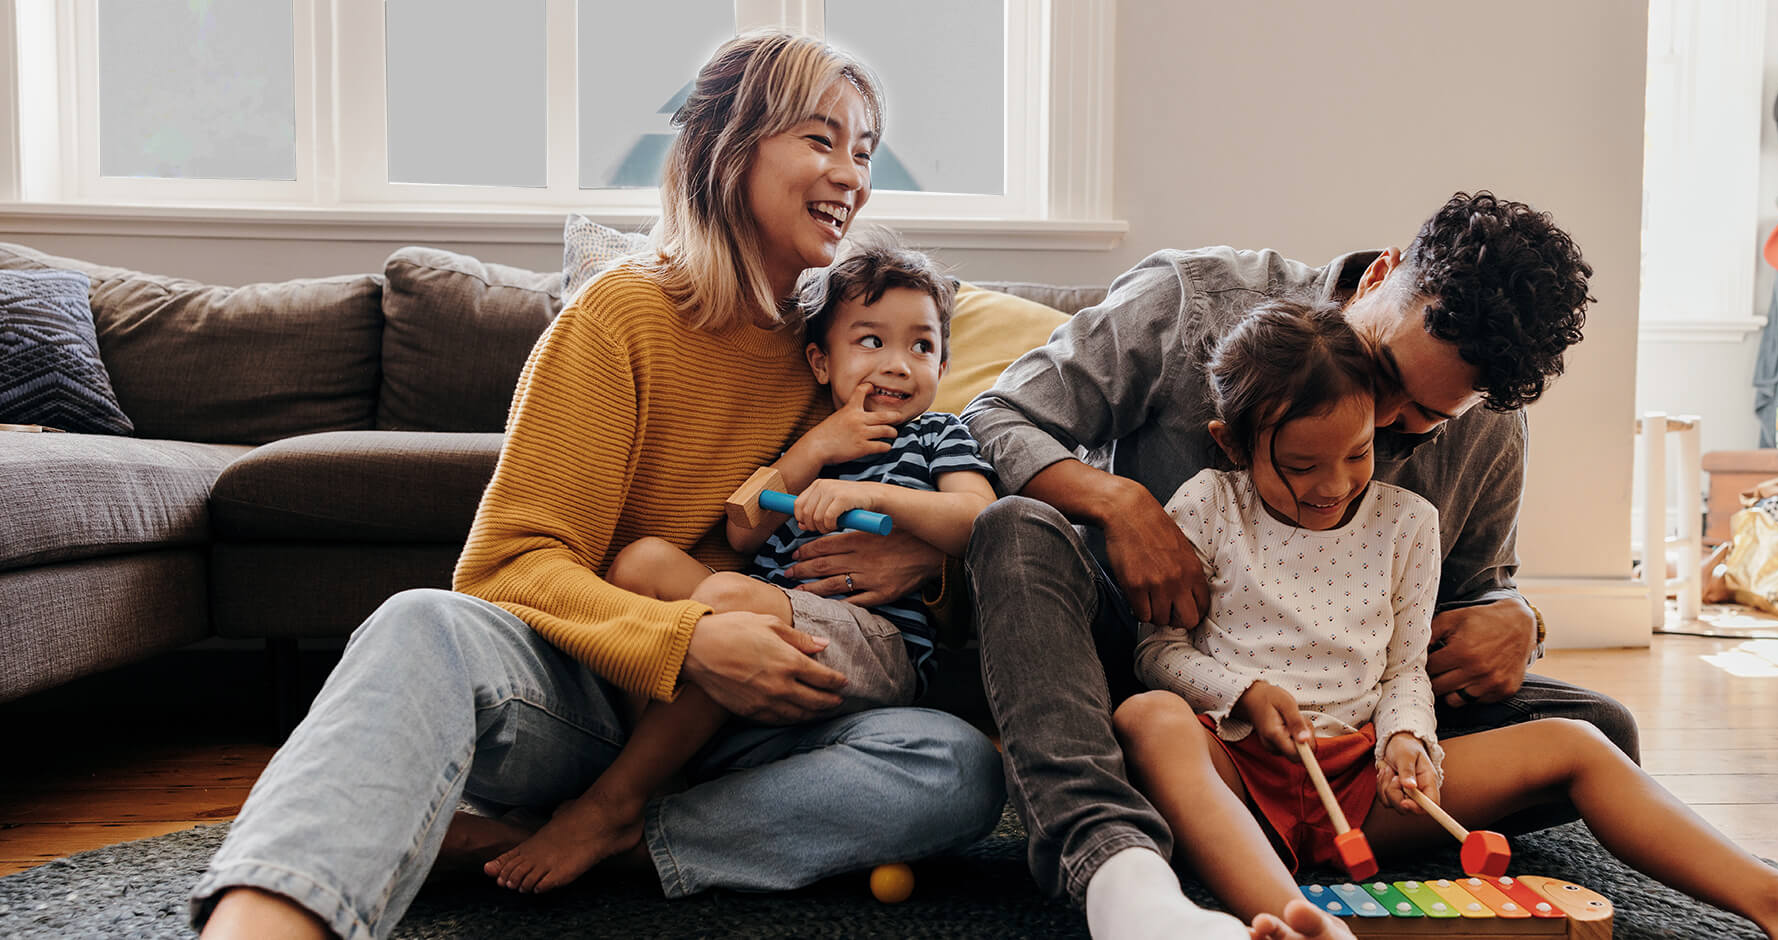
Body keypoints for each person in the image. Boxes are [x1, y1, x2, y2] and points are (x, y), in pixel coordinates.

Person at [192, 31, 1005, 939]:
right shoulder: (620, 315)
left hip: (763, 720)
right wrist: (686, 643)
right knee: (421, 624)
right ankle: (271, 917)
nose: (851, 174)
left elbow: (931, 515)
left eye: (862, 151)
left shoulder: (836, 350)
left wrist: (917, 567)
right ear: (729, 147)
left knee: (955, 768)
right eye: (821, 140)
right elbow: (507, 566)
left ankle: (607, 838)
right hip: (587, 702)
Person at [1114, 301, 1778, 939]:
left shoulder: (1407, 524)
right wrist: (1244, 692)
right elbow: (1159, 650)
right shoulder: (1209, 506)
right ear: (1233, 442)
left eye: (1356, 455)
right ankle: (1300, 920)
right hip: (1238, 769)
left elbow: (1401, 672)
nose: (1332, 486)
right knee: (1148, 717)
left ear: (1378, 426)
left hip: (1361, 779)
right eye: (1298, 468)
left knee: (1577, 738)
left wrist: (1406, 740)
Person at [960, 192, 1637, 940]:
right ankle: (1112, 858)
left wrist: (1518, 620)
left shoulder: (1492, 426)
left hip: (1341, 715)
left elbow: (1476, 589)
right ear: (1382, 274)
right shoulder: (1192, 302)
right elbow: (993, 418)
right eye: (1384, 376)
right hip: (1134, 665)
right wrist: (1119, 504)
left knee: (1601, 730)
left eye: (1422, 422)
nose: (1380, 425)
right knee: (1015, 529)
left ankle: (1273, 819)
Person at [483, 241, 996, 894]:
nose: (897, 365)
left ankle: (615, 803)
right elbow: (743, 524)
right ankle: (661, 774)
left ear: (944, 364)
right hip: (768, 618)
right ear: (821, 359)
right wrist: (812, 451)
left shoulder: (938, 435)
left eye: (921, 347)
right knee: (643, 562)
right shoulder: (811, 438)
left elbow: (977, 519)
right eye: (871, 342)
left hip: (872, 641)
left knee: (729, 594)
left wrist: (876, 497)